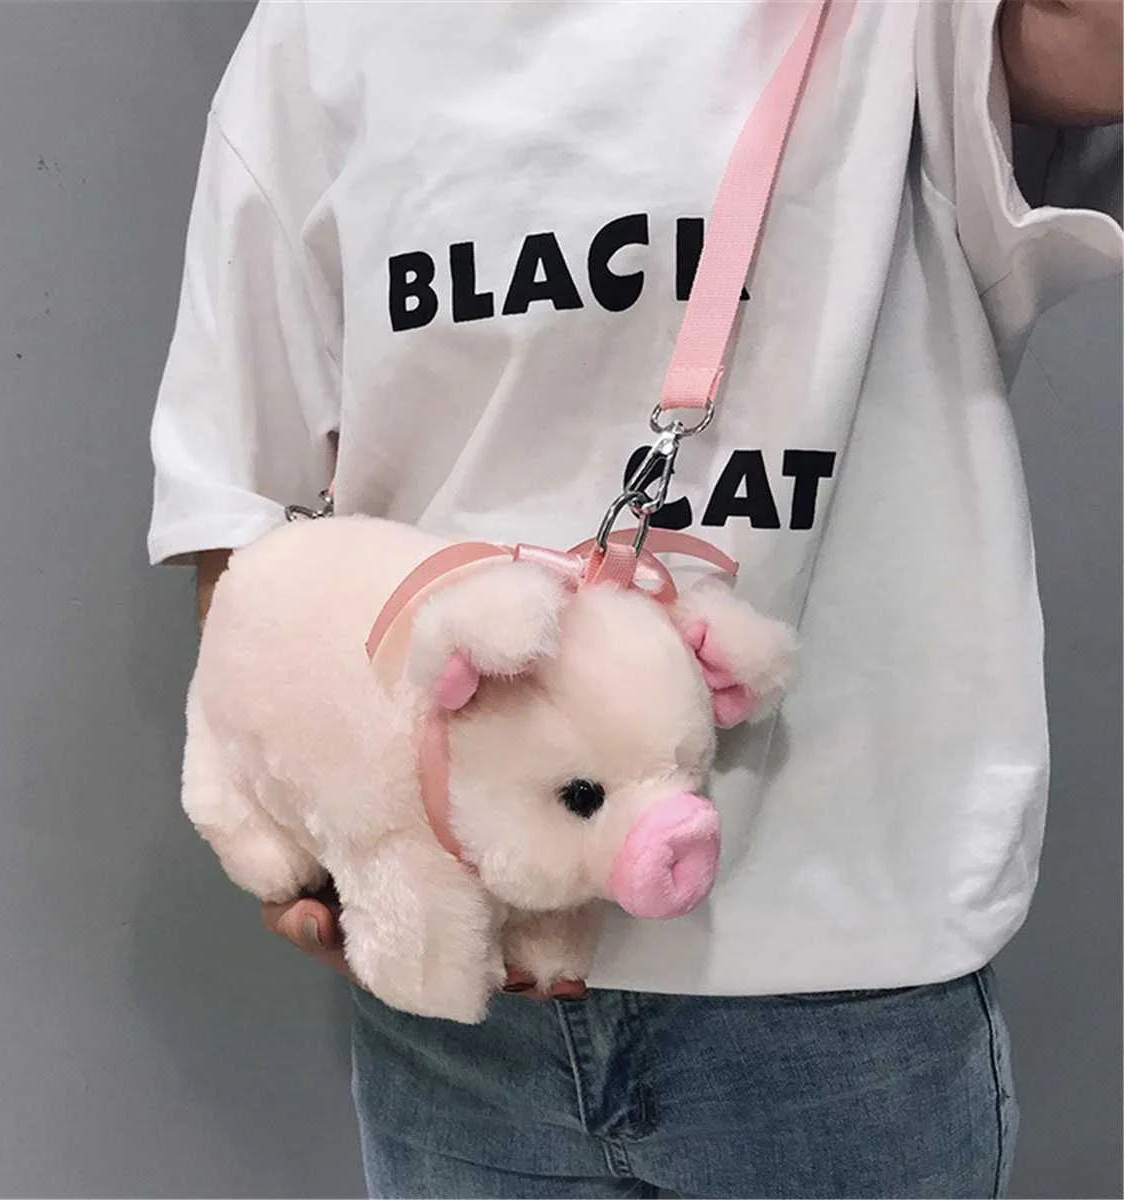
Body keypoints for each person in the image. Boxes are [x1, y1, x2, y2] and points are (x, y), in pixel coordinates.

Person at [148, 2, 1122, 1196]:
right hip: (464, 990)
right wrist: (304, 820)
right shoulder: (320, 35)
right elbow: (243, 514)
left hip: (840, 981)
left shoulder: (901, 24)